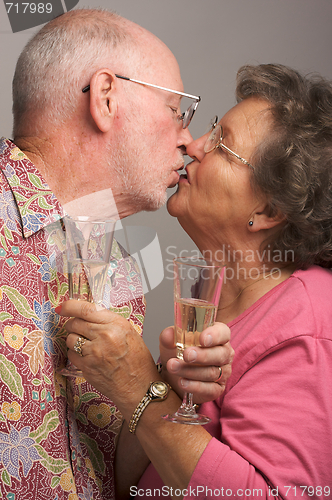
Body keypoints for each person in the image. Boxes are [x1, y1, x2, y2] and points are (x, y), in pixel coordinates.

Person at [61, 63, 332, 498]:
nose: (194, 144)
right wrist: (165, 385)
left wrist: (138, 387)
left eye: (223, 146)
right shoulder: (213, 289)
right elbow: (133, 482)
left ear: (268, 212)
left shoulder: (309, 324)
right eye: (211, 130)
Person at [0, 8, 233, 500]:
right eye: (177, 110)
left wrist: (158, 386)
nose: (188, 139)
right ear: (105, 98)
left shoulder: (113, 257)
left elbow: (109, 472)